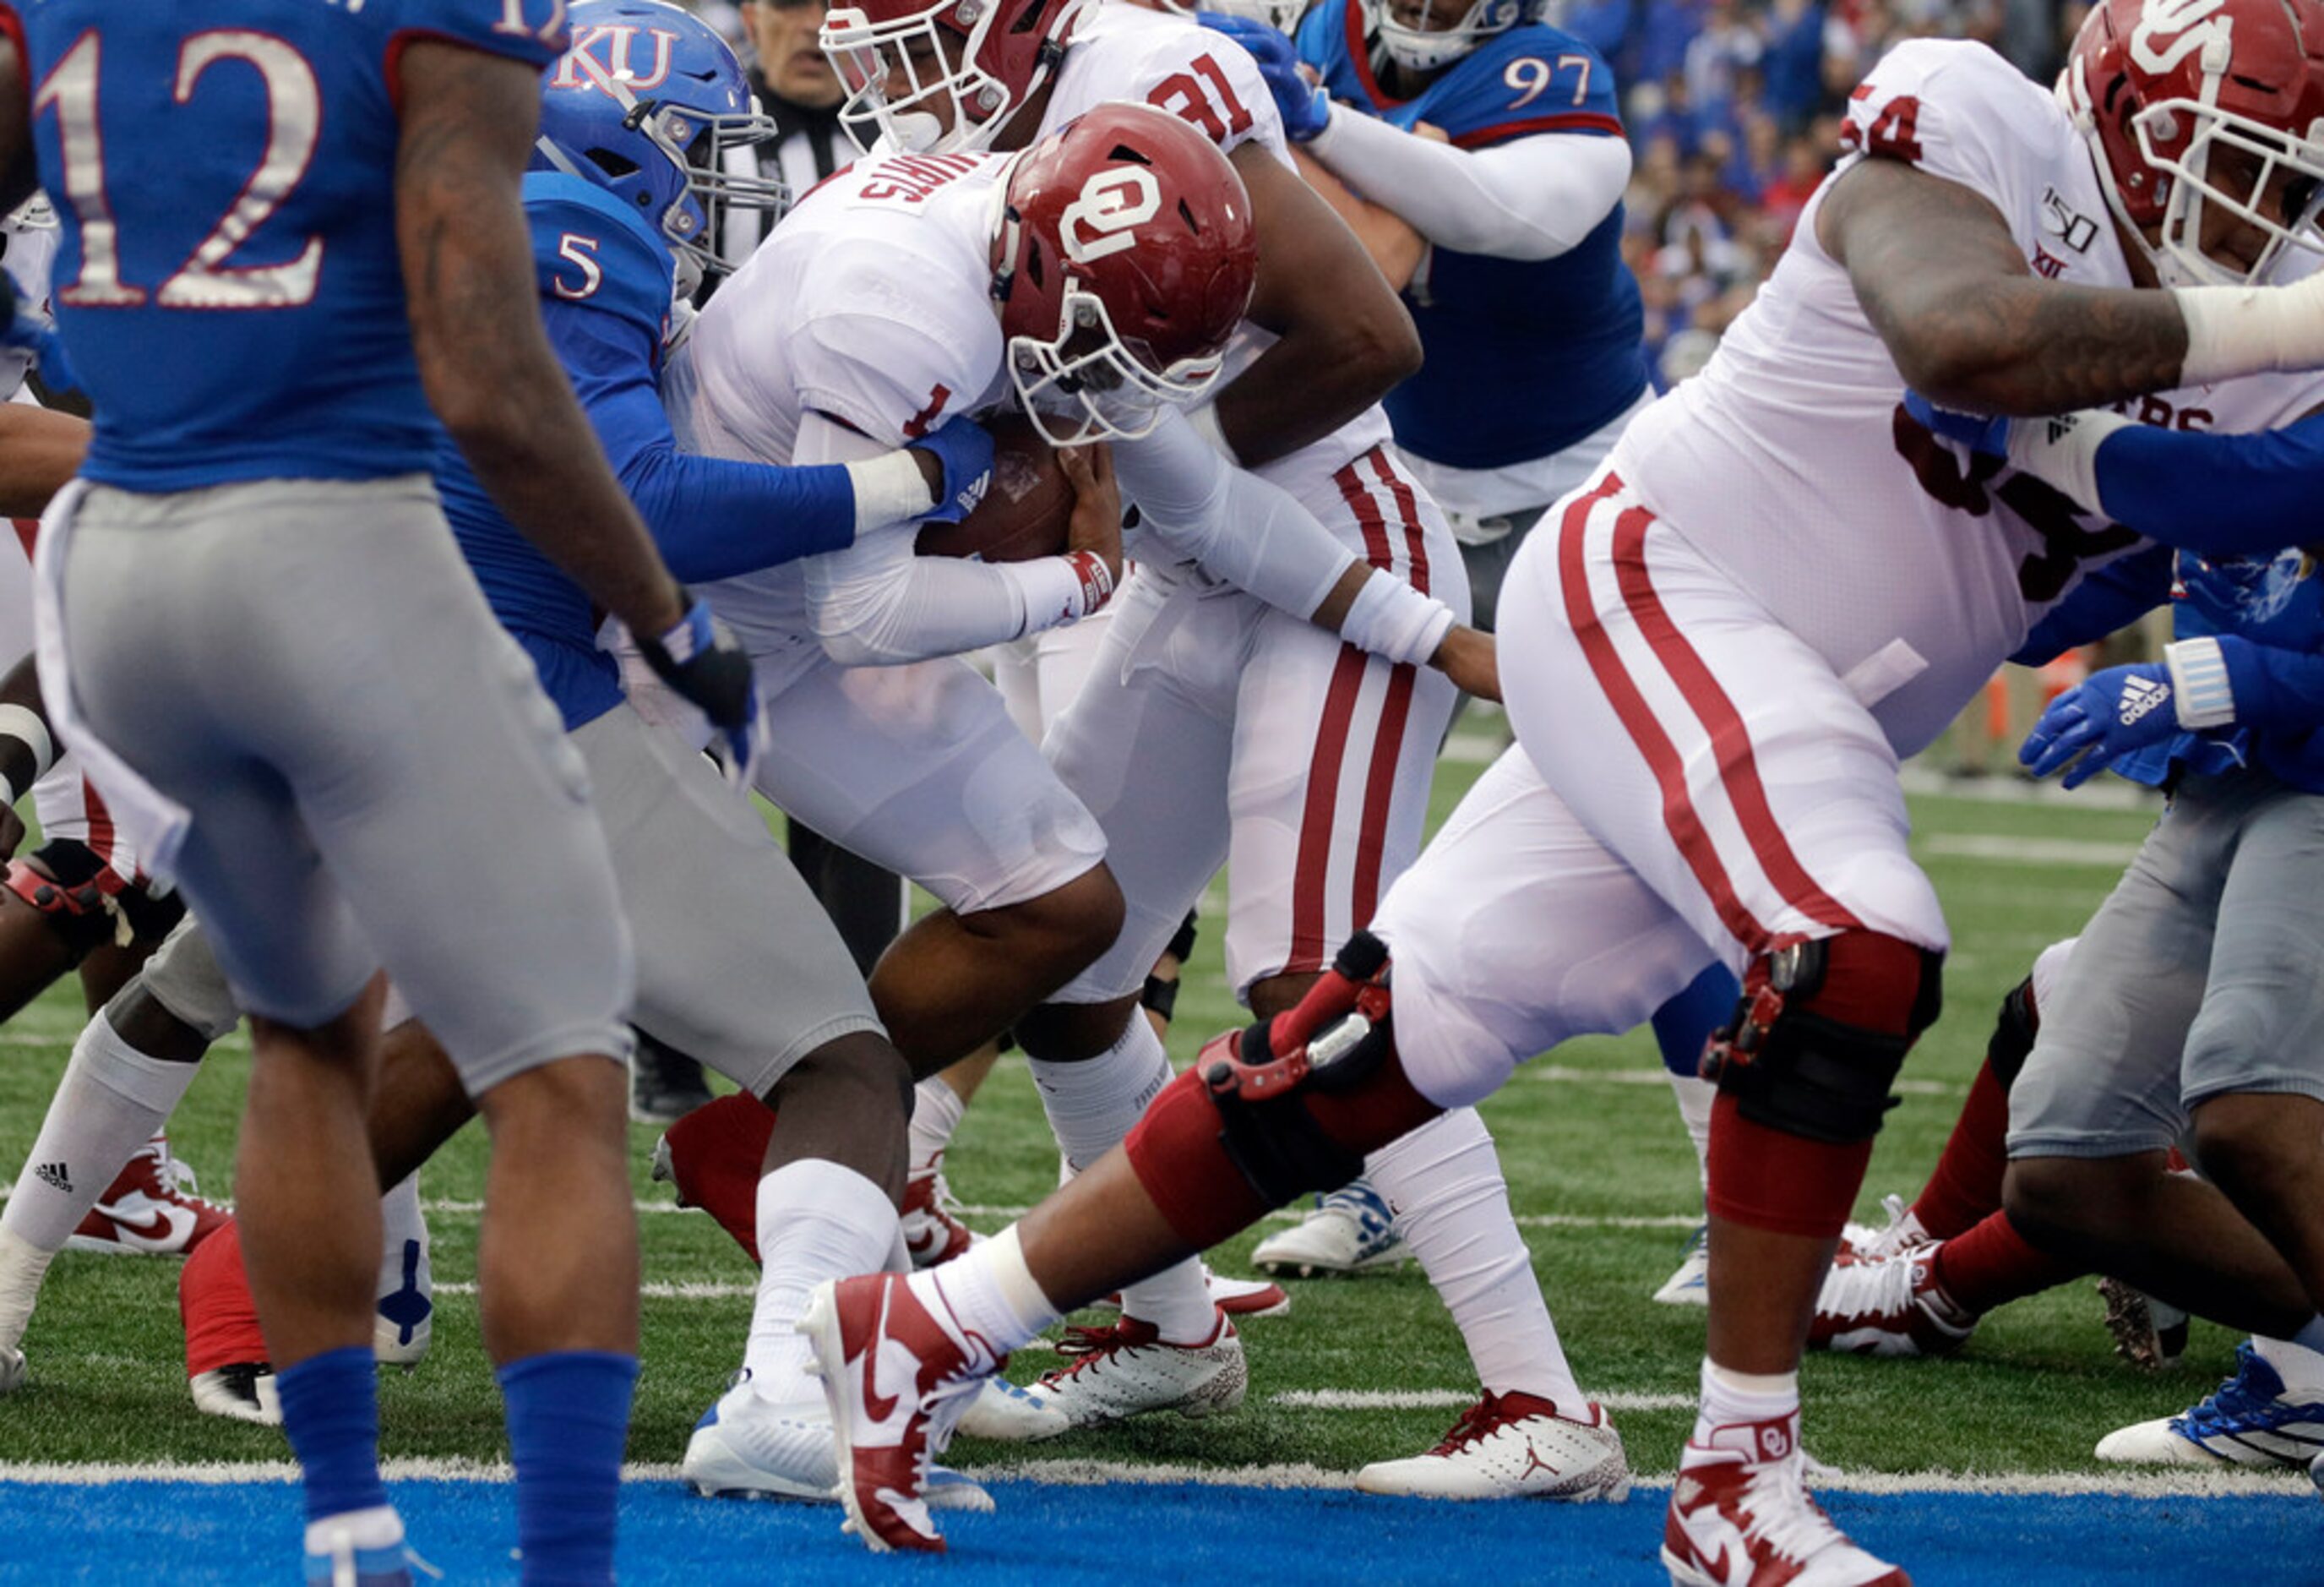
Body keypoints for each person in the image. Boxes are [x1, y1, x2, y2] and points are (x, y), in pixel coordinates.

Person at [797, 0, 2324, 1569]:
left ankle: (925, 1324)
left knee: (1358, 1048)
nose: (2282, 220)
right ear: (2146, 114)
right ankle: (1736, 1486)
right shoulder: (1978, 120)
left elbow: (2193, 490)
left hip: (1788, 689)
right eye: (2264, 170)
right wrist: (2284, 339)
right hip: (1666, 584)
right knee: (1854, 939)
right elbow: (1969, 336)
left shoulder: (2256, 363)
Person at [0, 3, 767, 1582]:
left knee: (306, 1031)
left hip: (127, 557)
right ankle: (564, 1568)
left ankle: (349, 1524)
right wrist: (672, 620)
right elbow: (493, 382)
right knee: (560, 1061)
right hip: (334, 546)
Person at [815, 0, 1599, 1465]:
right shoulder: (969, 170)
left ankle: (1548, 1402)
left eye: (908, 35)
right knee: (1068, 953)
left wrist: (1145, 454)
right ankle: (1171, 1326)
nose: (880, 75)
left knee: (1323, 988)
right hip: (1196, 568)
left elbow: (1346, 358)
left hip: (1328, 555)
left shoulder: (1131, 86)